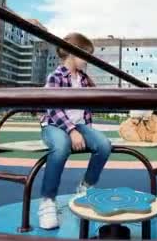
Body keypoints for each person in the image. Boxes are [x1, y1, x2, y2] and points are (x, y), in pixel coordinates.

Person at [38, 32, 112, 230]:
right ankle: (47, 201)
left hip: (79, 126)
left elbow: (94, 103)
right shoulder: (55, 76)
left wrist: (82, 130)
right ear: (72, 54)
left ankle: (85, 187)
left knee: (104, 145)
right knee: (61, 147)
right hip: (54, 125)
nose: (87, 60)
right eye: (85, 55)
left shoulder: (84, 79)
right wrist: (71, 131)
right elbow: (52, 108)